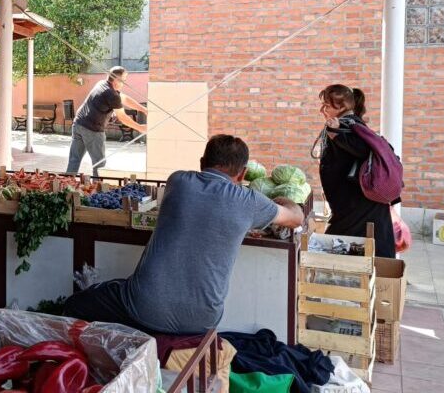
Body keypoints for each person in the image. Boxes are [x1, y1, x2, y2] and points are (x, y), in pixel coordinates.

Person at [64, 135, 304, 335]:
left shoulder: (178, 181)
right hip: (203, 319)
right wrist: (278, 200)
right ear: (242, 174)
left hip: (144, 307)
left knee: (75, 304)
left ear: (202, 162)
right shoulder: (250, 202)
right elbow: (296, 218)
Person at [315, 85, 395, 257]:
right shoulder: (351, 125)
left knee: (332, 253)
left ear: (342, 107)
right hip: (360, 205)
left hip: (358, 207)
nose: (322, 110)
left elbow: (364, 149)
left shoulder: (346, 127)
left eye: (327, 106)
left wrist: (337, 135)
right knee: (367, 253)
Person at [66, 66, 147, 175]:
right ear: (117, 80)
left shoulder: (102, 83)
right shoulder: (111, 95)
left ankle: (67, 182)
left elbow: (124, 98)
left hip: (78, 124)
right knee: (99, 163)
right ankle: (97, 185)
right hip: (92, 130)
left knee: (74, 159)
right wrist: (140, 128)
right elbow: (122, 117)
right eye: (124, 79)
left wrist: (143, 109)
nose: (124, 82)